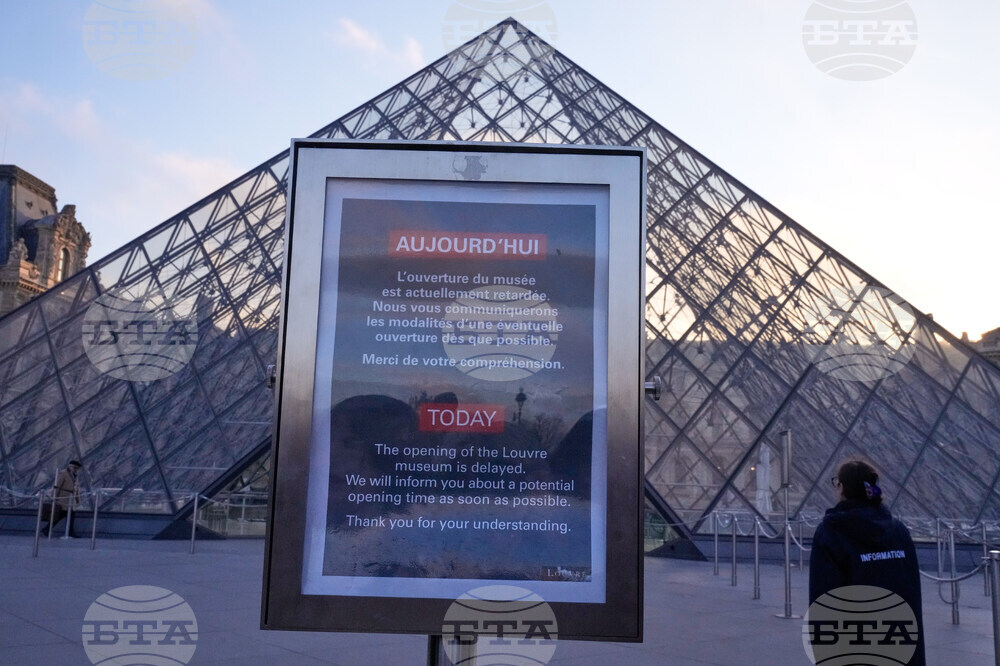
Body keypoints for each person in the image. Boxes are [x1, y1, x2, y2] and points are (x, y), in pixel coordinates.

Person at [809, 459, 925, 665]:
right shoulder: (898, 530)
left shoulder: (831, 532)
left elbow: (824, 596)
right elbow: (912, 590)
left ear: (841, 487)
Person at [44, 460, 82, 537]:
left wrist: (78, 499)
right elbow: (57, 485)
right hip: (63, 499)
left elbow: (76, 488)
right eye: (75, 468)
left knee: (63, 516)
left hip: (70, 499)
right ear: (70, 466)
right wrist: (54, 496)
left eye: (77, 468)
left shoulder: (74, 475)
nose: (76, 470)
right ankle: (70, 532)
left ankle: (47, 529)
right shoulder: (64, 473)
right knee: (63, 515)